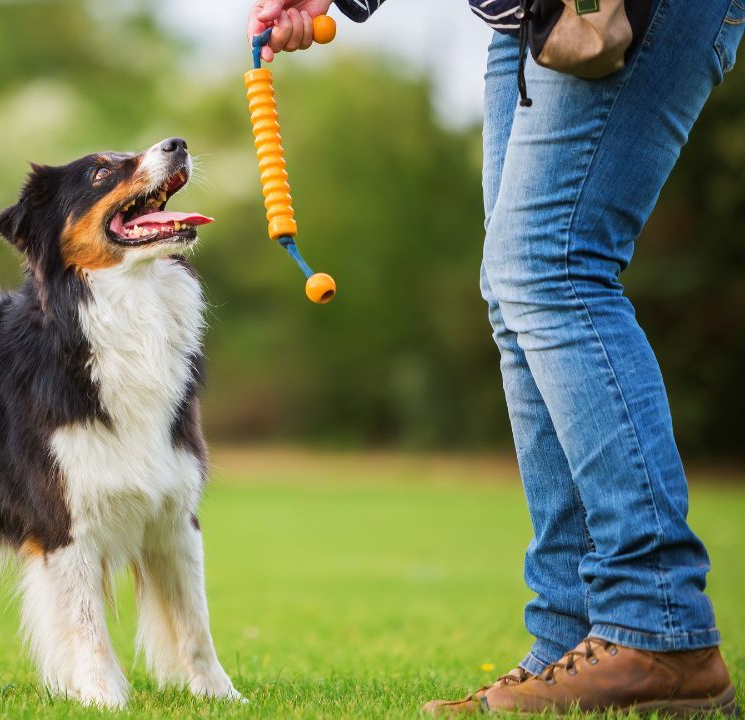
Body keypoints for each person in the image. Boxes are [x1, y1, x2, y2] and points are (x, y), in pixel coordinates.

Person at [249, 0, 742, 714]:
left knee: (551, 269)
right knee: (517, 293)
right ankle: (573, 632)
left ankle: (658, 624)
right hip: (530, 18)